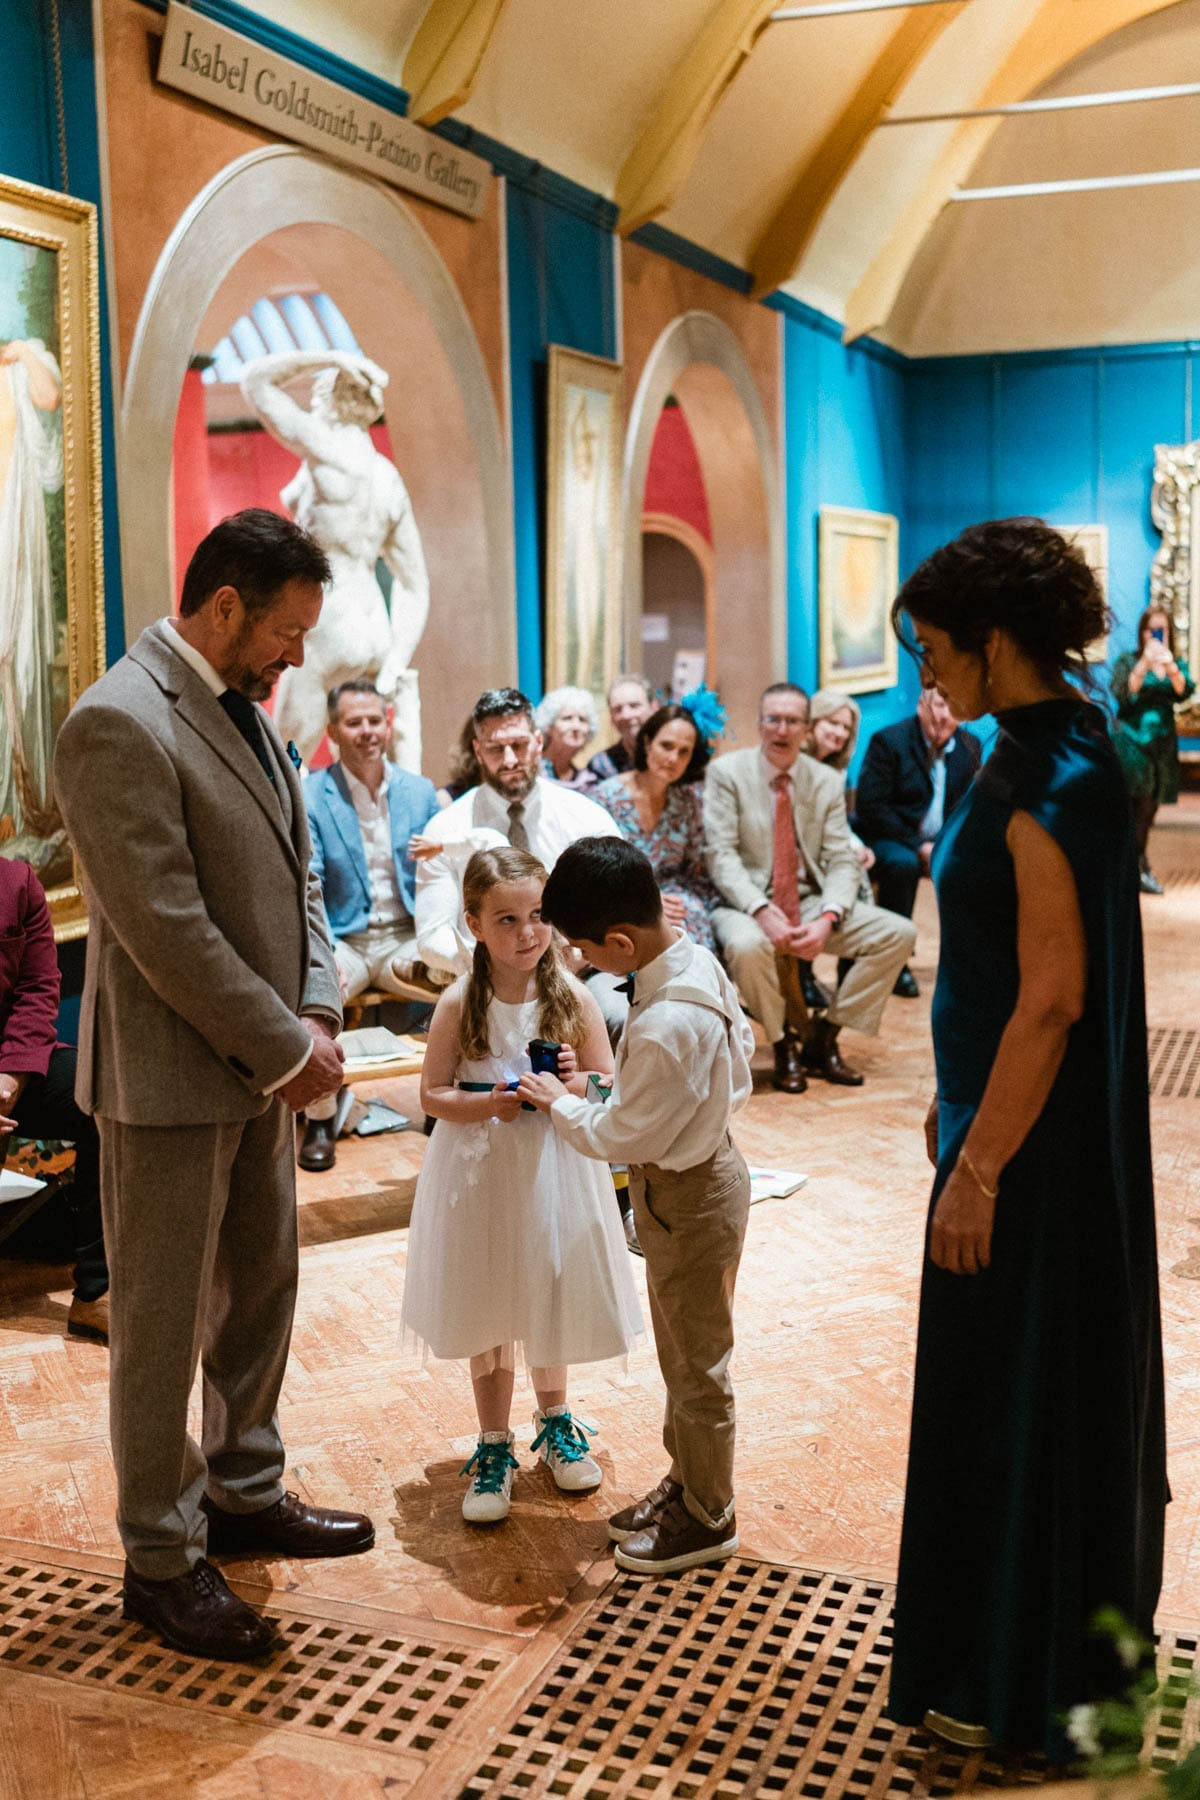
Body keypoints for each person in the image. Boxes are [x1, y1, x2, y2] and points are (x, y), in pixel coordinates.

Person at [54, 509, 375, 1664]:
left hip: (263, 1071)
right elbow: (165, 930)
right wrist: (287, 1048)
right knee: (161, 1325)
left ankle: (245, 1488)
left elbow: (297, 883)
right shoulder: (118, 720)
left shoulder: (248, 717)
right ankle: (160, 1556)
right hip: (172, 1084)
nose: (295, 660)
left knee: (260, 1291)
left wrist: (323, 1008)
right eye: (285, 634)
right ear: (226, 604)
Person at [887, 518, 1166, 1757]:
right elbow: (1002, 982)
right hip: (1005, 1120)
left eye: (937, 649)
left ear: (997, 641)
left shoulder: (1057, 775)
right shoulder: (1051, 750)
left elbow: (1052, 995)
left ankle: (1024, 1678)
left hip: (1032, 1159)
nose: (926, 672)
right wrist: (952, 1099)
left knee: (1018, 1405)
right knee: (1008, 1399)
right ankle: (999, 1658)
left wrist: (979, 1165)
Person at [519, 837, 754, 1575]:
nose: (582, 961)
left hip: (689, 1194)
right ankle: (685, 1485)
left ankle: (710, 1516)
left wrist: (564, 1104)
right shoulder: (692, 957)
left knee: (698, 1367)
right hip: (696, 1172)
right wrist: (601, 1088)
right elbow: (714, 1070)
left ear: (622, 941)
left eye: (586, 950)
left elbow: (622, 1135)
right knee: (681, 1354)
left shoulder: (663, 1021)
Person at [401, 846, 642, 1523]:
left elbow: (606, 1082)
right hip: (482, 1164)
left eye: (537, 916)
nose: (527, 933)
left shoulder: (575, 995)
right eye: (506, 920)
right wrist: (488, 1104)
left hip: (554, 1165)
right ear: (475, 923)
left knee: (548, 1281)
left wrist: (569, 1082)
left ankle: (556, 1420)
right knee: (489, 1293)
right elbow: (433, 1093)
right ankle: (493, 1441)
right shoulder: (458, 1002)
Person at [704, 683, 916, 1093]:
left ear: (807, 729)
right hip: (743, 901)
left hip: (810, 898)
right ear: (761, 723)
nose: (781, 730)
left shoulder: (824, 781)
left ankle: (826, 1036)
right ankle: (783, 1042)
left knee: (898, 934)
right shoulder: (726, 773)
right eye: (773, 719)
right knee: (747, 947)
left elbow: (840, 857)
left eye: (792, 721)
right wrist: (761, 909)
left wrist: (828, 916)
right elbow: (721, 856)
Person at [239, 349, 430, 769]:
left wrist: (330, 354)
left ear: (327, 399)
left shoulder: (326, 447)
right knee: (367, 777)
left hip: (325, 626)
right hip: (373, 632)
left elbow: (254, 380)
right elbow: (416, 585)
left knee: (282, 766)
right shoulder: (387, 478)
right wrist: (396, 658)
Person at [414, 688, 626, 1034]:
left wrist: (582, 953)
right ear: (478, 751)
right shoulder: (447, 828)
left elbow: (618, 908)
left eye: (520, 745)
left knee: (619, 1018)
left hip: (581, 971)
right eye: (496, 749)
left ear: (539, 742)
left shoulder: (586, 818)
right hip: (484, 982)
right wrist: (486, 965)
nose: (510, 759)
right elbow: (432, 934)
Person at [300, 678, 441, 1171]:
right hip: (347, 939)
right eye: (353, 722)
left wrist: (440, 941)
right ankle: (320, 1117)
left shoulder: (420, 792)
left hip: (406, 939)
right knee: (315, 995)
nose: (366, 731)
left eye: (374, 720)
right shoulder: (312, 794)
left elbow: (437, 878)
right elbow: (308, 883)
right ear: (333, 731)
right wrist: (324, 956)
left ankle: (443, 1106)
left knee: (465, 984)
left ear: (389, 723)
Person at [0, 856, 107, 1343]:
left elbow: (38, 989)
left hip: (10, 1067)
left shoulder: (18, 881)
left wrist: (9, 1080)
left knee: (100, 1094)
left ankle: (96, 1293)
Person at [854, 685, 981, 998]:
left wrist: (946, 844)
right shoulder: (889, 741)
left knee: (976, 866)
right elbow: (871, 807)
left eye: (950, 707)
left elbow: (968, 805)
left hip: (939, 840)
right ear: (920, 706)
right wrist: (919, 845)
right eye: (937, 705)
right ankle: (895, 963)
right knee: (902, 865)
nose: (942, 715)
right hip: (888, 837)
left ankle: (966, 961)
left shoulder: (970, 747)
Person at [0, 337, 63, 859]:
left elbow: (51, 399)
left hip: (11, 539)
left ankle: (15, 802)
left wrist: (23, 351)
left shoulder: (17, 371)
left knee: (14, 659)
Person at [593, 703, 719, 951]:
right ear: (648, 742)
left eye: (684, 752)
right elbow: (593, 870)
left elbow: (694, 871)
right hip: (617, 900)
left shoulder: (688, 801)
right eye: (667, 746)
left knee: (691, 923)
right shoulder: (605, 797)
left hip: (674, 900)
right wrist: (645, 900)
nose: (673, 758)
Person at [1110, 605, 1194, 894]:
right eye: (1151, 629)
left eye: (1162, 629)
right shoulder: (1128, 660)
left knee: (1151, 806)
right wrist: (1144, 663)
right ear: (1142, 631)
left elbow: (1184, 690)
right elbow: (1124, 693)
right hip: (1132, 740)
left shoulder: (1175, 662)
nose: (1156, 634)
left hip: (1162, 742)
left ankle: (1136, 864)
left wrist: (1169, 666)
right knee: (1139, 803)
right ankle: (1138, 864)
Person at [588, 675, 655, 782]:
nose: (626, 715)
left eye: (634, 706)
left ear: (653, 708)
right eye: (618, 709)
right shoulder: (601, 765)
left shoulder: (672, 755)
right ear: (611, 717)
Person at [535, 686, 599, 792]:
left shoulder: (586, 781)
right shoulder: (532, 771)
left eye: (582, 720)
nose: (576, 727)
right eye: (567, 718)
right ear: (549, 726)